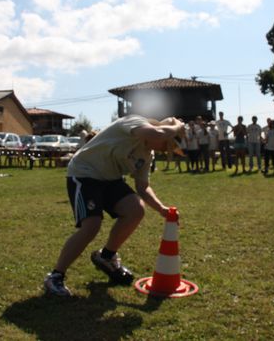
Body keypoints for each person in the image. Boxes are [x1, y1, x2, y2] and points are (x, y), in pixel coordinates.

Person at [44, 115, 185, 297]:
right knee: (91, 226)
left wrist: (162, 209)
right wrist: (178, 126)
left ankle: (107, 256)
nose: (166, 150)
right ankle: (55, 276)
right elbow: (157, 133)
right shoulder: (134, 122)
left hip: (110, 179)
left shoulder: (146, 154)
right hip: (85, 173)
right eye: (167, 145)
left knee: (135, 210)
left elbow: (142, 187)